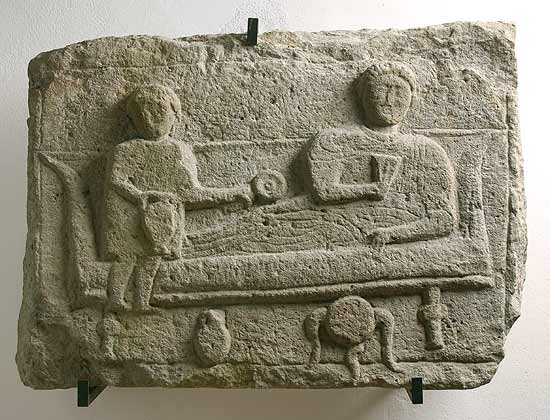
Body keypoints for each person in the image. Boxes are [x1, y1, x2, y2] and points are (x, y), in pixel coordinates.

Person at [101, 85, 252, 312]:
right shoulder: (126, 150)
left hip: (163, 216)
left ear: (175, 114)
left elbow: (191, 193)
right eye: (142, 113)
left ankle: (141, 301)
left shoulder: (178, 150)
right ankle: (115, 300)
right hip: (128, 213)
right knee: (126, 256)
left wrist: (233, 193)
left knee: (153, 258)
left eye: (158, 111)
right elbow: (116, 180)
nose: (149, 119)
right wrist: (140, 196)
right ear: (133, 119)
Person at [308, 62, 457, 246]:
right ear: (362, 96)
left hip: (394, 228)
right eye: (381, 90)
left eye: (399, 92)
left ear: (412, 100)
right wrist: (370, 189)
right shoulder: (334, 140)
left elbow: (443, 219)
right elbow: (323, 191)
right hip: (330, 224)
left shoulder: (426, 151)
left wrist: (392, 234)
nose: (389, 100)